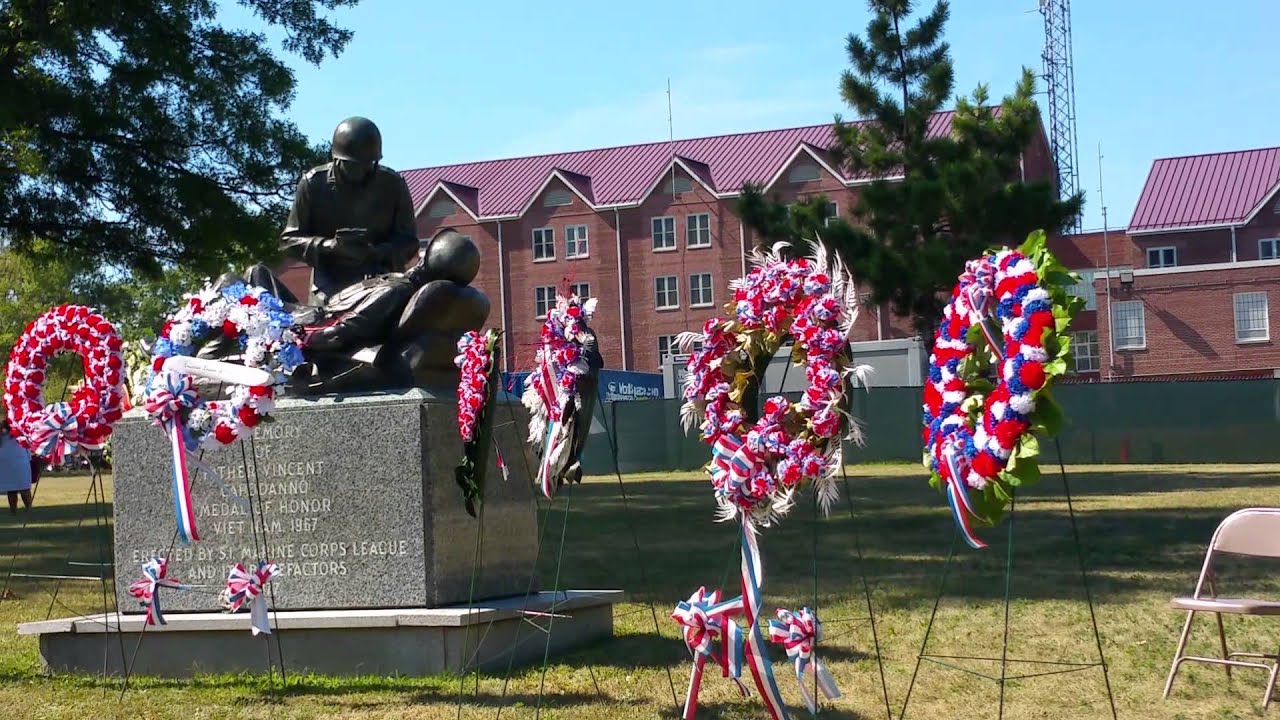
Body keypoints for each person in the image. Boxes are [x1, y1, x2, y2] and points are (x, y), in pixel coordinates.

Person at [0, 420, 34, 514]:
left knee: (23, 488)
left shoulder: (20, 436)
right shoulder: (2, 437)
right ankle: (14, 510)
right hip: (8, 465)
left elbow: (28, 447)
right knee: (12, 489)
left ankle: (28, 508)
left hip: (19, 463)